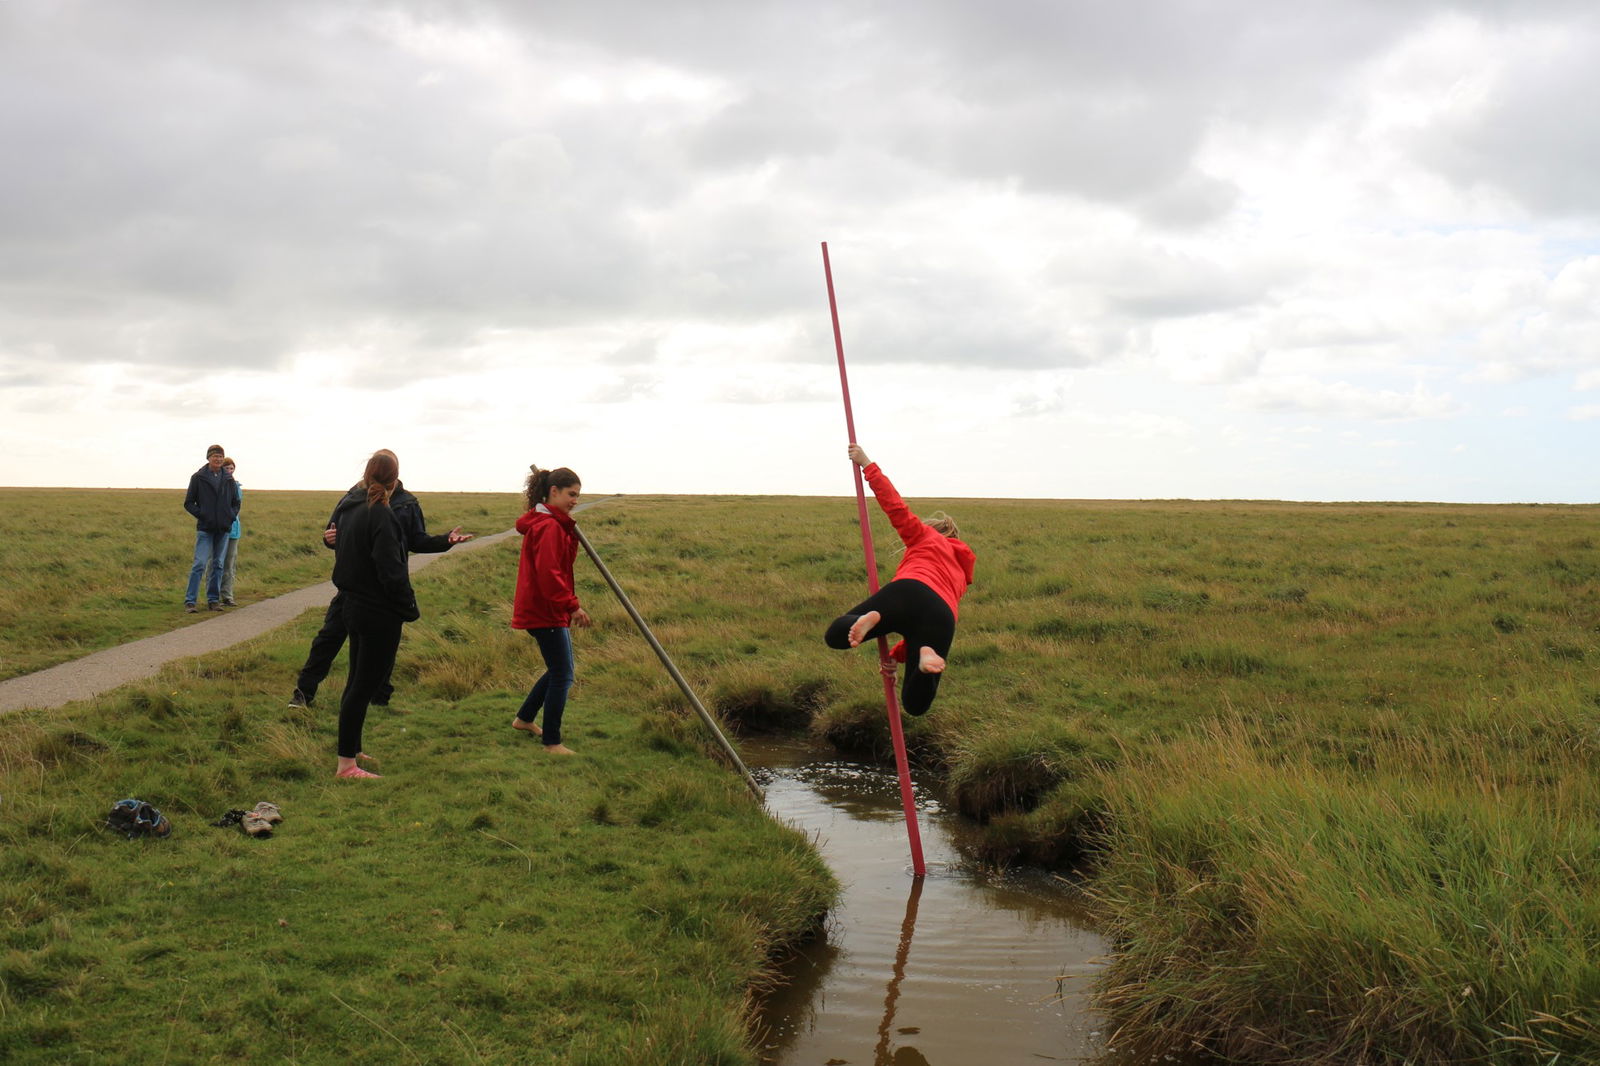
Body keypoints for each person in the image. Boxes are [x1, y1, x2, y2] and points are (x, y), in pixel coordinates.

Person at [289, 455, 472, 707]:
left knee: (383, 648)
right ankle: (304, 692)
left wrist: (445, 541)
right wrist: (328, 538)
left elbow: (416, 540)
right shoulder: (352, 498)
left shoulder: (407, 503)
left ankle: (379, 696)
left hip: (384, 588)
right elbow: (333, 531)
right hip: (353, 588)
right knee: (328, 639)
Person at [824, 443, 976, 715]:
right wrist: (899, 655)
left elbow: (895, 505)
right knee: (916, 704)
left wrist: (867, 464)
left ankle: (869, 619)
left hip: (909, 591)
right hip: (942, 615)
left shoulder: (925, 537)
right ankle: (924, 660)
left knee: (836, 635)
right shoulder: (962, 574)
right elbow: (919, 624)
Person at [330, 449, 420, 780]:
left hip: (352, 606)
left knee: (355, 681)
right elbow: (391, 570)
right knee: (362, 686)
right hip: (378, 612)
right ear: (395, 481)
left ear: (367, 475)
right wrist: (407, 606)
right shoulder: (380, 514)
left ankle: (351, 749)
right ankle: (346, 765)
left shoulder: (349, 507)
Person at [511, 464, 591, 756]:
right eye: (571, 494)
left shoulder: (552, 524)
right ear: (553, 492)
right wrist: (572, 606)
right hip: (545, 610)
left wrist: (568, 530)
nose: (575, 501)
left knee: (558, 668)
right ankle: (552, 742)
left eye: (578, 496)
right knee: (563, 674)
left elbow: (559, 564)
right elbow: (550, 574)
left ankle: (524, 719)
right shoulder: (548, 527)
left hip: (542, 608)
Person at [183, 444, 240, 613]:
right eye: (215, 456)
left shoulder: (228, 479)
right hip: (206, 528)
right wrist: (204, 515)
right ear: (208, 458)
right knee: (199, 564)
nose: (218, 459)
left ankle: (213, 600)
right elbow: (188, 503)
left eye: (221, 457)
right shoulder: (198, 477)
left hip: (223, 528)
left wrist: (229, 516)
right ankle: (190, 601)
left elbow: (236, 503)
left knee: (218, 564)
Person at [204, 457, 243, 607]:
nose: (229, 470)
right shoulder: (216, 484)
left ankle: (227, 595)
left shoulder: (236, 486)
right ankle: (212, 595)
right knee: (214, 562)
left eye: (231, 468)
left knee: (229, 563)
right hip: (218, 529)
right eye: (227, 468)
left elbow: (236, 506)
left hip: (233, 530)